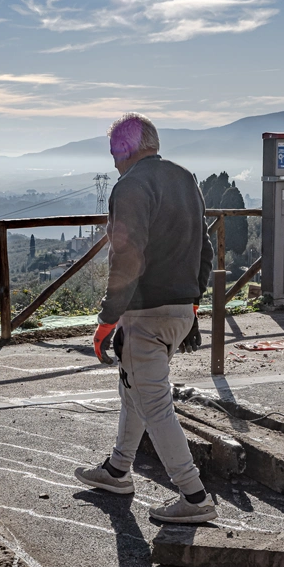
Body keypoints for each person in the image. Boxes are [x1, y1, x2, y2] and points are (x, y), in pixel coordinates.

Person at [74, 113, 216, 524]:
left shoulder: (131, 185)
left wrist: (106, 322)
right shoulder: (185, 177)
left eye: (115, 153)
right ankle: (118, 470)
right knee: (134, 388)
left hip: (145, 313)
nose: (114, 162)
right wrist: (192, 301)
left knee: (154, 403)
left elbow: (126, 256)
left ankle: (193, 495)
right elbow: (204, 246)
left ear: (124, 150)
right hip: (178, 312)